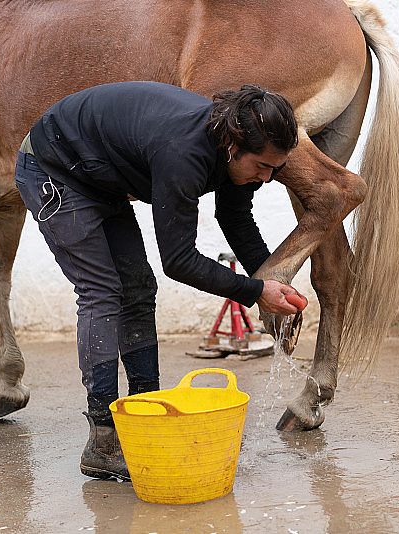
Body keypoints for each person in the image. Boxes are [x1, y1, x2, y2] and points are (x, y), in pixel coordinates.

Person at [15, 82, 307, 480]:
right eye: (262, 167)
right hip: (54, 168)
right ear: (233, 148)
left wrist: (273, 280)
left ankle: (145, 415)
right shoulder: (184, 154)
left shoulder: (239, 149)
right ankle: (102, 440)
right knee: (102, 293)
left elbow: (236, 218)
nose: (268, 178)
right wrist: (255, 293)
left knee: (138, 290)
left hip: (100, 176)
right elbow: (179, 261)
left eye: (278, 168)